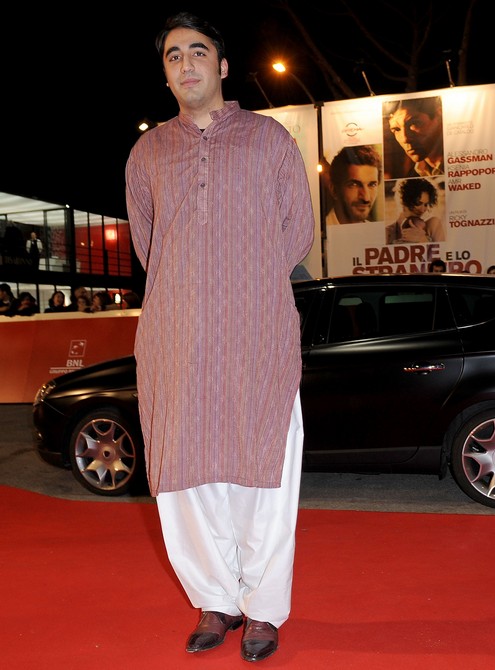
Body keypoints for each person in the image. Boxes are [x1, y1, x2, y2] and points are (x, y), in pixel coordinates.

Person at [125, 12, 314, 664]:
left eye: (198, 51)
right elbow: (150, 245)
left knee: (265, 477)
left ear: (223, 65)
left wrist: (242, 288)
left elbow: (296, 233)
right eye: (174, 55)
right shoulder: (147, 154)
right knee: (186, 481)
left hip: (258, 336)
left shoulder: (269, 140)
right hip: (175, 340)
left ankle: (262, 608)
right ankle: (216, 599)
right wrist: (193, 294)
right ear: (165, 73)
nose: (186, 64)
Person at [384, 96, 444, 178]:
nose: (405, 139)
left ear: (439, 115)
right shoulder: (412, 177)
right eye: (396, 129)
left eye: (414, 124)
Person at [324, 145, 382, 226]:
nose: (366, 198)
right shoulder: (318, 231)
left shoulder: (375, 231)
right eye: (354, 185)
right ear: (334, 190)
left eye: (372, 185)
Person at [385, 177, 445, 244]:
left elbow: (444, 249)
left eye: (425, 205)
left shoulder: (432, 225)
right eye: (418, 203)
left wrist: (423, 240)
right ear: (404, 201)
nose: (422, 210)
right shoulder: (388, 233)